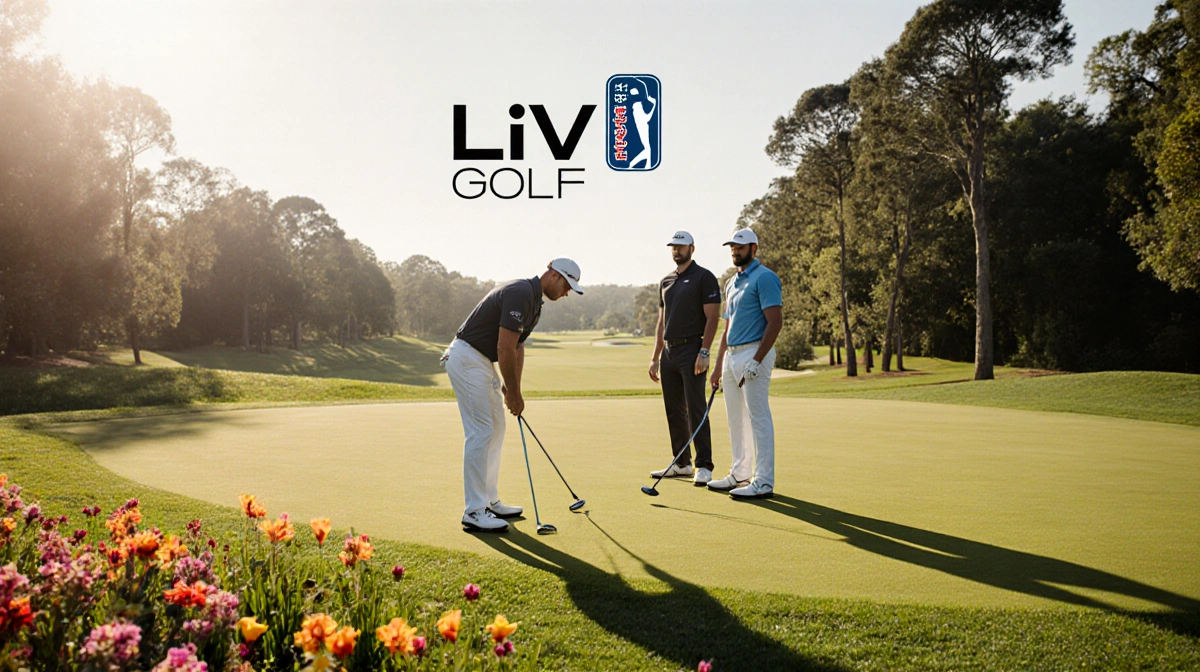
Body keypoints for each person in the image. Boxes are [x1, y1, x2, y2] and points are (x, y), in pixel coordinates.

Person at [444, 258, 584, 532]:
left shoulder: (534, 303)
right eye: (567, 286)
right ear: (554, 276)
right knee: (482, 431)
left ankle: (489, 501)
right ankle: (474, 510)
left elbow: (518, 348)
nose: (567, 293)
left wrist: (513, 388)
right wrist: (514, 394)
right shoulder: (521, 292)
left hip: (480, 361)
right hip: (466, 357)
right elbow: (504, 347)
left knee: (496, 428)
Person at [708, 229, 782, 499]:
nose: (735, 251)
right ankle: (740, 473)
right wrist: (718, 365)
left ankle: (763, 481)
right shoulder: (731, 282)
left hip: (754, 352)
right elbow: (727, 328)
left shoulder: (765, 278)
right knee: (735, 418)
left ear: (754, 248)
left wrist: (757, 359)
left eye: (740, 247)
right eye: (732, 248)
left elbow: (775, 322)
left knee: (758, 417)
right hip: (731, 355)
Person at [648, 231, 721, 486]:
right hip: (669, 351)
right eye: (673, 247)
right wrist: (655, 356)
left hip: (693, 349)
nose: (676, 250)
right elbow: (661, 321)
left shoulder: (704, 277)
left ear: (692, 248)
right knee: (674, 410)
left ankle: (704, 465)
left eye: (680, 246)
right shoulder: (666, 281)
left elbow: (713, 317)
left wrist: (705, 351)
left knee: (696, 407)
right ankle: (681, 463)